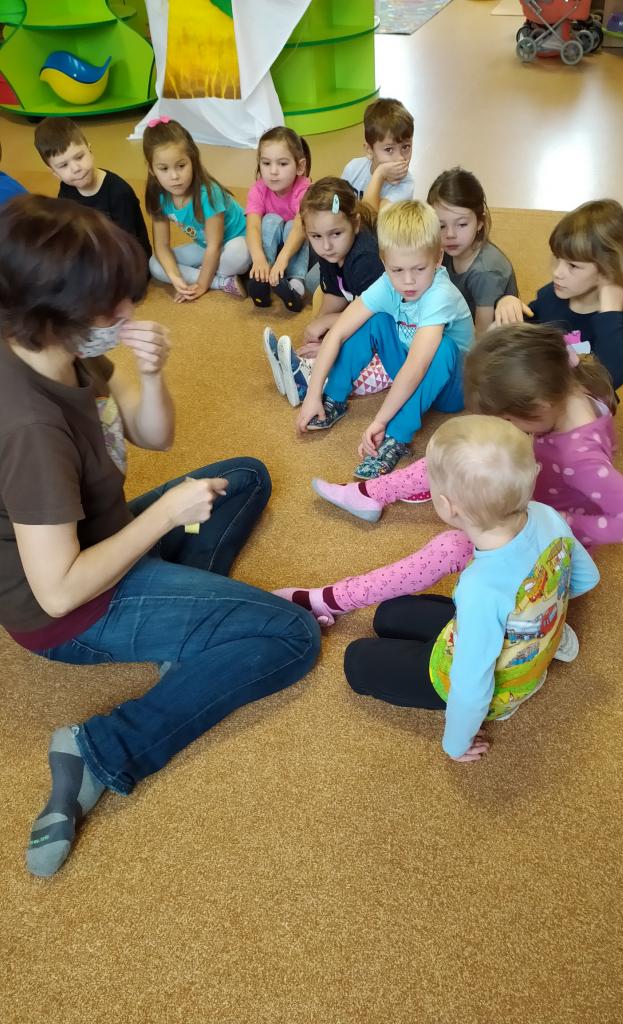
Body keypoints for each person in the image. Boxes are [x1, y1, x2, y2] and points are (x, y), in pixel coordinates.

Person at [0, 195, 320, 877]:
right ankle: (100, 750)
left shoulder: (64, 353)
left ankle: (191, 635)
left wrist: (149, 374)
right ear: (55, 315)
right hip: (70, 610)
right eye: (110, 304)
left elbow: (154, 435)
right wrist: (165, 515)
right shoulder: (29, 427)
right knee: (291, 637)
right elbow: (57, 592)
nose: (127, 311)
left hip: (104, 537)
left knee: (246, 477)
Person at [278, 324, 623, 625]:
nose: (504, 423)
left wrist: (566, 522)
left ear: (540, 405)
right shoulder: (567, 382)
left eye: (508, 418)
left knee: (448, 548)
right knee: (459, 450)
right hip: (530, 486)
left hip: (541, 547)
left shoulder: (581, 458)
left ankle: (334, 599)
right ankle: (371, 494)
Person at [343, 416, 600, 762]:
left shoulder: (480, 588)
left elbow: (470, 686)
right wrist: (544, 620)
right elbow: (585, 577)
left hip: (498, 684)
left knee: (356, 660)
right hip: (517, 632)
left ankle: (511, 696)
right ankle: (549, 643)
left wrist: (456, 742)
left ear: (448, 506)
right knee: (388, 614)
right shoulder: (547, 515)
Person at [295, 200, 473, 480]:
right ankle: (335, 398)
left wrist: (381, 420)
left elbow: (417, 366)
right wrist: (314, 394)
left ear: (438, 258)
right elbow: (339, 332)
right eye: (397, 270)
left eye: (419, 269)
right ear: (384, 262)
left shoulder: (440, 295)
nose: (408, 281)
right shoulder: (388, 284)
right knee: (376, 320)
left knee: (444, 347)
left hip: (453, 389)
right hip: (409, 366)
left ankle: (397, 436)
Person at [262, 177, 390, 407]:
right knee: (324, 340)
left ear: (356, 224)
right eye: (316, 237)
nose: (326, 246)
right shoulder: (332, 253)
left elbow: (374, 319)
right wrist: (318, 332)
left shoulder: (365, 259)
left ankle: (308, 381)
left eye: (335, 234)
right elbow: (334, 295)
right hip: (366, 320)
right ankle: (300, 368)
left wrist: (329, 337)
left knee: (348, 366)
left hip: (390, 337)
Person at [495, 199, 623, 393]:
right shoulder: (551, 294)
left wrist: (609, 313)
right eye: (558, 258)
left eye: (572, 266)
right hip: (545, 388)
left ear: (608, 270)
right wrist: (508, 302)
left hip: (585, 396)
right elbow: (523, 332)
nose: (557, 272)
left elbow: (611, 379)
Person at [143, 117, 249, 301]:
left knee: (238, 253)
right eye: (164, 169)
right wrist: (175, 277)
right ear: (151, 169)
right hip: (205, 246)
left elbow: (215, 245)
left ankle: (209, 274)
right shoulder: (159, 196)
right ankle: (221, 282)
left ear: (193, 160)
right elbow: (161, 246)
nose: (174, 176)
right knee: (155, 264)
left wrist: (201, 284)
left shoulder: (208, 193)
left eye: (181, 166)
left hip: (236, 241)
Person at [33, 116, 151, 260]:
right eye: (63, 165)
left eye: (79, 157)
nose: (76, 168)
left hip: (128, 258)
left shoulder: (118, 191)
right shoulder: (66, 189)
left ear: (90, 151)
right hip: (93, 254)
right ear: (54, 172)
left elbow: (128, 245)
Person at [428, 167, 518, 335]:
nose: (450, 234)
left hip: (488, 342)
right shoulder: (445, 250)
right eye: (441, 226)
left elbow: (481, 336)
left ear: (480, 223)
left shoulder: (485, 271)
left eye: (462, 224)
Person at [245, 126, 312, 313]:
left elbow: (299, 227)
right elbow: (253, 227)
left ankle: (296, 283)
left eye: (282, 164)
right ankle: (263, 275)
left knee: (294, 225)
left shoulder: (305, 189)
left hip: (300, 250)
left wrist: (282, 260)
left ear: (300, 166)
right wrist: (259, 259)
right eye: (266, 163)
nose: (273, 171)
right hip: (273, 251)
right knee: (270, 220)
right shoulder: (258, 190)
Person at [341, 97, 415, 213]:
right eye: (389, 149)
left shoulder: (405, 185)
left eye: (405, 147)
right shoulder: (353, 168)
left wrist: (379, 174)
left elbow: (371, 218)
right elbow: (337, 205)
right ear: (369, 150)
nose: (400, 158)